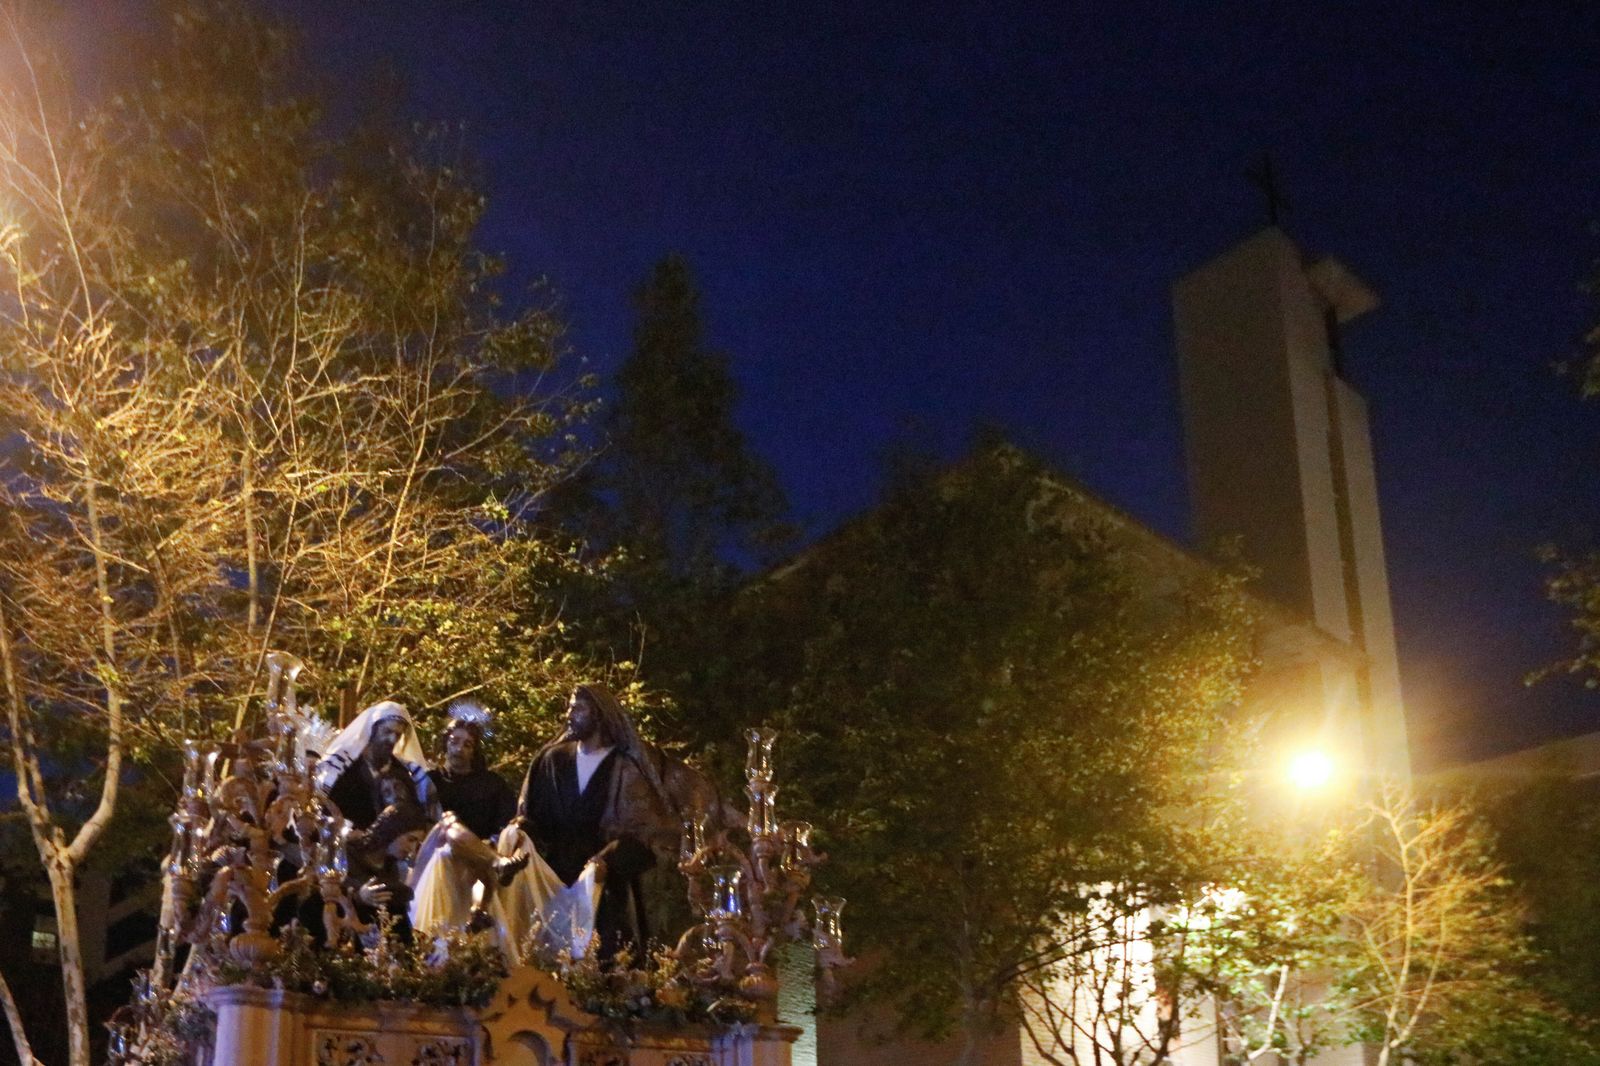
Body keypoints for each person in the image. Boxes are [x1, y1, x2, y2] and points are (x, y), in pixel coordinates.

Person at [513, 684, 678, 960]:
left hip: (606, 881)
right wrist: (518, 833)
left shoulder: (624, 767)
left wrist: (607, 859)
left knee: (608, 957)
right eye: (569, 707)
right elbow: (534, 817)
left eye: (578, 708)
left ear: (599, 715)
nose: (569, 714)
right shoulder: (553, 760)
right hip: (555, 876)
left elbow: (644, 833)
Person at [407, 702, 526, 940]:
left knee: (478, 853)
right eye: (454, 741)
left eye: (467, 744)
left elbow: (508, 821)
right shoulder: (430, 781)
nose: (459, 748)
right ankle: (496, 864)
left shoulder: (492, 784)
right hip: (438, 850)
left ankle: (478, 910)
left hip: (478, 853)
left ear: (475, 751)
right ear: (445, 743)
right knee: (449, 823)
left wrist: (492, 842)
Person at [314, 701, 436, 928]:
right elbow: (321, 805)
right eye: (387, 732)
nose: (391, 740)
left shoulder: (403, 775)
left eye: (397, 736)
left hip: (387, 855)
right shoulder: (343, 768)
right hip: (346, 850)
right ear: (373, 730)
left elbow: (410, 815)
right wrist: (347, 831)